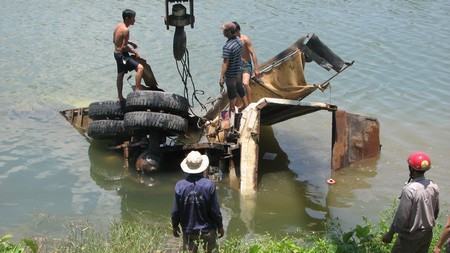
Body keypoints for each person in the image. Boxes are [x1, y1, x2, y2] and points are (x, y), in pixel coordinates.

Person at [382, 151, 439, 253]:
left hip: (410, 236)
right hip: (427, 234)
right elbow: (435, 212)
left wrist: (390, 234)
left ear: (411, 168)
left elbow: (401, 217)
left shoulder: (409, 189)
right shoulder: (433, 186)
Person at [171, 151, 224, 253]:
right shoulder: (209, 185)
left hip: (189, 231)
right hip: (208, 230)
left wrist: (175, 226)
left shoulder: (180, 186)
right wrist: (220, 226)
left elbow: (175, 212)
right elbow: (215, 211)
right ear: (202, 167)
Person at [113, 9, 144, 102]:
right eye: (133, 18)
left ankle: (120, 97)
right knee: (140, 68)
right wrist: (134, 52)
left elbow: (115, 40)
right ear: (127, 18)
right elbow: (124, 47)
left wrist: (130, 42)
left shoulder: (119, 26)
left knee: (120, 74)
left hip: (116, 53)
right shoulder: (126, 30)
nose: (134, 20)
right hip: (122, 56)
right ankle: (137, 91)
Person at [219, 22, 247, 117]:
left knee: (231, 95)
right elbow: (240, 55)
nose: (223, 32)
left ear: (229, 32)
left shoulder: (227, 47)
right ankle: (246, 106)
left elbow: (225, 63)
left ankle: (231, 114)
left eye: (224, 31)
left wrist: (222, 77)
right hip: (238, 71)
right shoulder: (239, 41)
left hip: (231, 75)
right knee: (240, 88)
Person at [233, 21, 259, 105]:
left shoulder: (245, 39)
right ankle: (242, 105)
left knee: (245, 83)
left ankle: (250, 105)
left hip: (246, 65)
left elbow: (253, 53)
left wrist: (256, 68)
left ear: (238, 30)